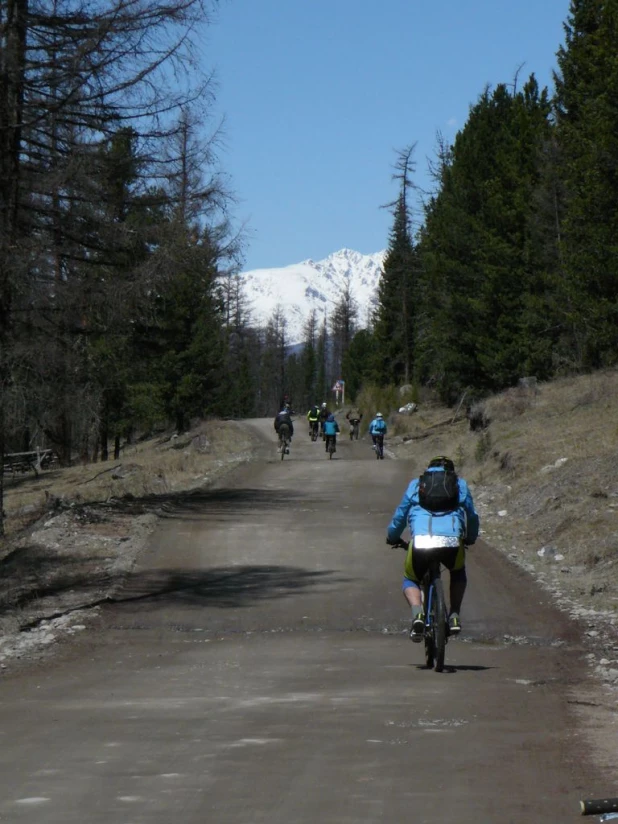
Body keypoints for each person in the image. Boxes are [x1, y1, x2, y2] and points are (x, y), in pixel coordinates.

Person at [385, 456, 479, 640]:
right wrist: (470, 538)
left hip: (421, 540)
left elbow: (400, 515)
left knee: (410, 579)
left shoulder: (416, 485)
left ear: (429, 470)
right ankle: (454, 615)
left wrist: (392, 537)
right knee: (457, 572)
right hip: (452, 540)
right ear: (451, 472)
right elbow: (472, 516)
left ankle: (418, 614)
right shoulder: (460, 485)